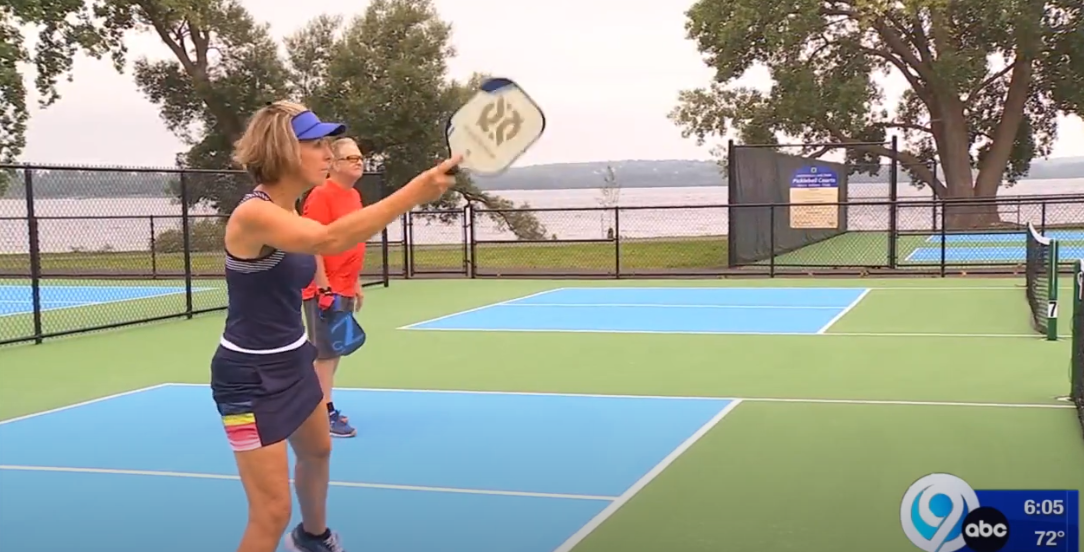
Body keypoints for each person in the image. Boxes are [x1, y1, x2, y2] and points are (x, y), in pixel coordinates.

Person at [209, 100, 460, 552]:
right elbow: (329, 239)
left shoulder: (294, 214)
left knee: (318, 451)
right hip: (247, 380)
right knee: (270, 513)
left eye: (329, 144)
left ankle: (313, 537)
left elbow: (324, 246)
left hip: (295, 360)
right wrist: (416, 190)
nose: (328, 154)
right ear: (285, 151)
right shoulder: (254, 214)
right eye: (315, 144)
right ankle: (298, 532)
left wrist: (337, 288)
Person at [300, 137, 368, 438]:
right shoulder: (320, 196)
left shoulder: (353, 196)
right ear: (335, 164)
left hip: (344, 287)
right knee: (325, 353)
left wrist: (355, 282)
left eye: (360, 157)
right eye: (351, 158)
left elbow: (353, 240)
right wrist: (324, 287)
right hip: (323, 291)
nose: (359, 161)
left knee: (334, 350)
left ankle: (316, 404)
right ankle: (323, 412)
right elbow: (313, 242)